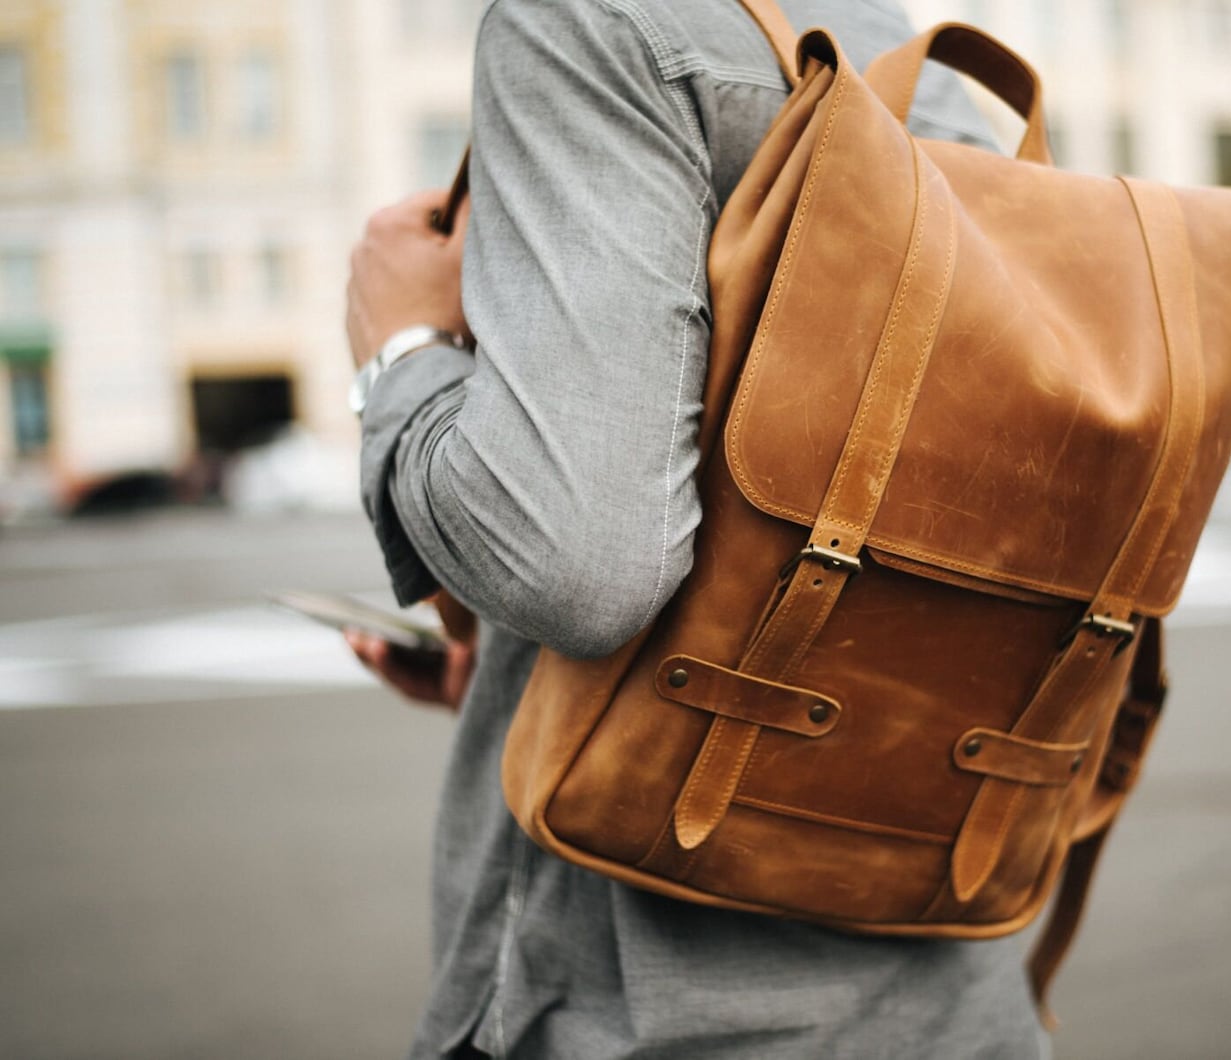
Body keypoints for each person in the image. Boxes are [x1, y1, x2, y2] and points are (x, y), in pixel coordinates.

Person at [344, 1, 1050, 1056]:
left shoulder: (584, 24)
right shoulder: (905, 53)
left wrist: (399, 347)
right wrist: (509, 669)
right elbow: (910, 549)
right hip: (955, 992)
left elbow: (577, 568)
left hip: (647, 1008)